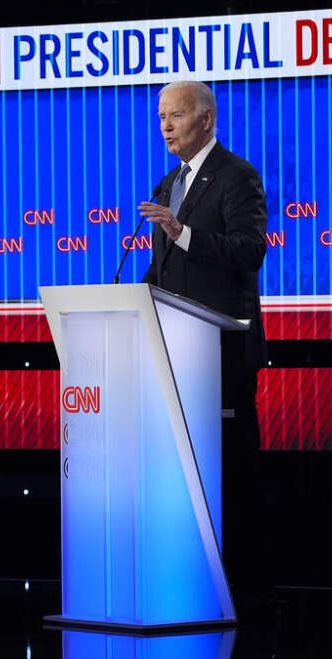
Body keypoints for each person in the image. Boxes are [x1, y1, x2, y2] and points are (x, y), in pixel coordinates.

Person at [136, 81, 268, 591]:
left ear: (206, 119)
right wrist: (134, 301)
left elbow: (249, 251)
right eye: (161, 117)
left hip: (222, 354)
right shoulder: (169, 182)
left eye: (176, 115)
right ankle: (189, 574)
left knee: (229, 473)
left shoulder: (238, 176)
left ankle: (244, 587)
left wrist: (182, 233)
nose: (165, 126)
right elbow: (164, 268)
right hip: (175, 354)